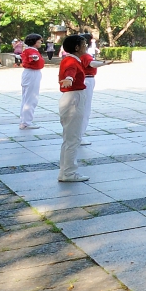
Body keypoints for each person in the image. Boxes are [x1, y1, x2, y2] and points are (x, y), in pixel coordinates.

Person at [57, 34, 91, 182]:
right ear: (77, 47)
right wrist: (69, 79)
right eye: (84, 44)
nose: (86, 47)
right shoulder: (71, 61)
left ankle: (65, 171)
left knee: (69, 139)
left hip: (72, 97)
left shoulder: (71, 59)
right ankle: (69, 173)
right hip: (73, 99)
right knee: (73, 139)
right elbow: (70, 72)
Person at [79, 35, 106, 144]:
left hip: (82, 79)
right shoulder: (85, 56)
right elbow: (92, 63)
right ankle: (79, 136)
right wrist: (103, 63)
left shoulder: (76, 55)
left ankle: (76, 135)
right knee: (85, 107)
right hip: (87, 79)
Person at [19, 34, 45, 130]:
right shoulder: (32, 51)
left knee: (26, 97)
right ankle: (26, 122)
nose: (41, 42)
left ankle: (24, 120)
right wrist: (35, 58)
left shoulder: (28, 50)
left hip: (29, 73)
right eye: (39, 41)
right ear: (34, 42)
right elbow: (33, 58)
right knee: (31, 98)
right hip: (32, 73)